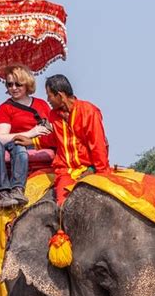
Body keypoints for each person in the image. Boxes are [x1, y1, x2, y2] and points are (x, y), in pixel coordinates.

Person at [15, 74, 110, 205]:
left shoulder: (89, 111)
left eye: (50, 95)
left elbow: (98, 145)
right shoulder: (54, 115)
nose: (48, 99)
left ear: (60, 95)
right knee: (63, 205)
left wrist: (98, 173)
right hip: (66, 172)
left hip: (90, 168)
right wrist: (31, 141)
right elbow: (56, 139)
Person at [0, 64, 52, 205]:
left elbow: (53, 126)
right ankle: (17, 189)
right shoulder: (5, 108)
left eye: (18, 84)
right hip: (18, 147)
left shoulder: (42, 104)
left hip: (44, 144)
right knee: (20, 147)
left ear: (27, 84)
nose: (13, 88)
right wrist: (30, 134)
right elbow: (1, 137)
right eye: (9, 84)